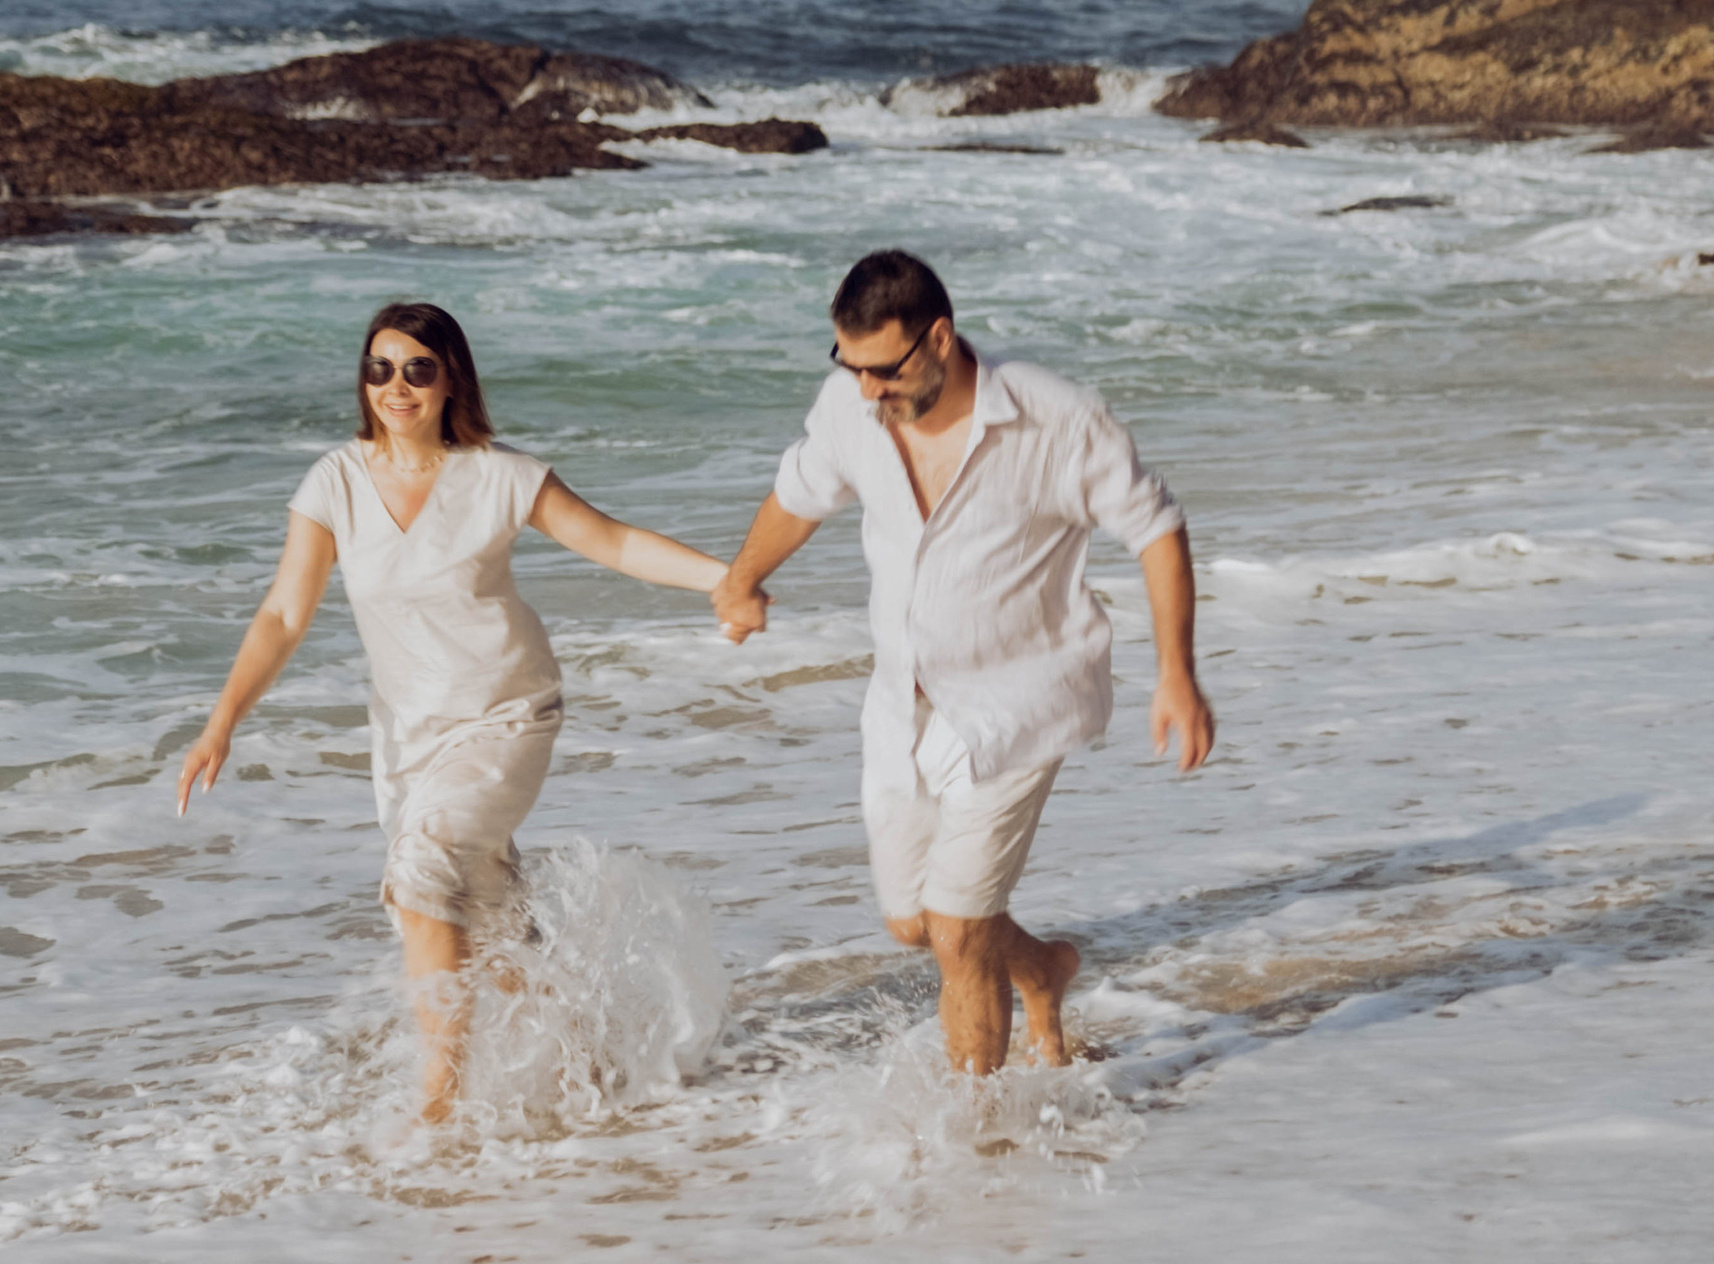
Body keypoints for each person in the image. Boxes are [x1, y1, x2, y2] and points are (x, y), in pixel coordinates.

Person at [176, 299, 733, 1122]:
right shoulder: (334, 479)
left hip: (508, 716)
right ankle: (594, 1060)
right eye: (379, 369)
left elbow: (612, 542)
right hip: (409, 737)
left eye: (416, 369)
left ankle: (436, 1104)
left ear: (450, 381)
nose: (394, 386)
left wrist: (726, 580)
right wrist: (222, 719)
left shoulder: (501, 476)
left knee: (420, 874)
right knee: (490, 926)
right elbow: (283, 615)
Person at [709, 248, 1213, 1076]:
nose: (866, 391)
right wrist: (742, 580)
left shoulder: (1058, 421)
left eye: (882, 369)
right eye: (850, 366)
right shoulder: (851, 403)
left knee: (958, 928)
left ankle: (977, 1141)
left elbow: (1156, 528)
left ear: (939, 337)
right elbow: (800, 491)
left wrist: (1177, 675)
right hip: (903, 704)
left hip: (1020, 700)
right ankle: (1043, 967)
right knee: (913, 923)